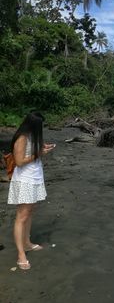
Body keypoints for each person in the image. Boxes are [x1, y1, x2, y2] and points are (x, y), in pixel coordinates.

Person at [10, 112, 54, 271]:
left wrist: (42, 148)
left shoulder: (32, 136)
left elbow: (32, 153)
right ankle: (21, 254)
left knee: (29, 212)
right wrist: (39, 154)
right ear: (33, 125)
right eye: (40, 125)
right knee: (21, 216)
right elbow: (19, 162)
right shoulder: (22, 137)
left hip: (35, 178)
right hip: (24, 180)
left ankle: (27, 243)